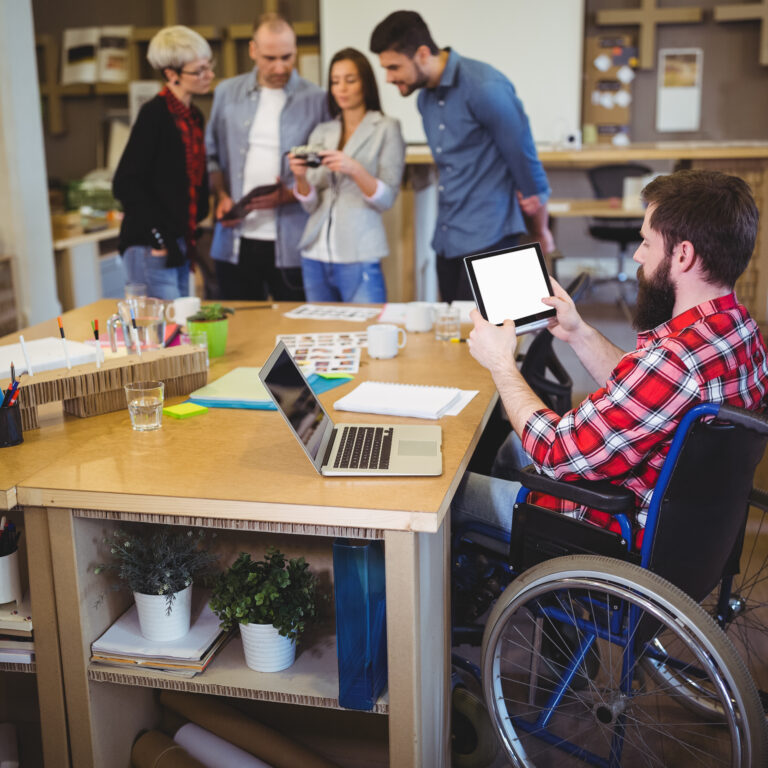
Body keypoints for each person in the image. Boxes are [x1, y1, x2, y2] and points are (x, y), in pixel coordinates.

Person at [453, 170, 768, 548]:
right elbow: (644, 394)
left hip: (609, 528)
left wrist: (501, 362)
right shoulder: (742, 331)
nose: (637, 255)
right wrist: (576, 332)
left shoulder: (674, 361)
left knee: (449, 494)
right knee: (508, 449)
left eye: (647, 243)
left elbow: (555, 452)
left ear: (683, 254)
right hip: (690, 534)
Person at [369, 10, 554, 303]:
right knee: (454, 339)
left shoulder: (484, 87)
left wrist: (541, 231)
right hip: (447, 238)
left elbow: (526, 164)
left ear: (422, 53)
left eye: (394, 67)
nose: (389, 78)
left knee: (495, 340)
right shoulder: (424, 99)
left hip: (492, 237)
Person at [205, 13, 328, 301]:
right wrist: (221, 194)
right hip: (236, 240)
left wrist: (289, 194)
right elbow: (211, 155)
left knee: (294, 332)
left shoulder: (317, 99)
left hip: (292, 241)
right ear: (253, 51)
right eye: (269, 58)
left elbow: (324, 170)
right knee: (240, 332)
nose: (279, 67)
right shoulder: (226, 93)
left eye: (287, 57)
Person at [289, 48, 405, 302]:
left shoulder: (386, 128)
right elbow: (311, 205)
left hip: (359, 251)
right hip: (314, 252)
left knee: (367, 333)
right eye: (335, 81)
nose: (341, 88)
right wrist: (299, 177)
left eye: (350, 80)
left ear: (366, 83)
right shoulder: (323, 130)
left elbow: (386, 199)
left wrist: (354, 168)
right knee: (318, 336)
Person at [113, 26, 213, 300]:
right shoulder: (154, 115)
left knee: (178, 334)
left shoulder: (193, 116)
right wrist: (158, 236)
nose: (209, 75)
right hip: (151, 246)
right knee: (160, 338)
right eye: (199, 70)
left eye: (209, 67)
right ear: (172, 74)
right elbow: (125, 183)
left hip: (179, 244)